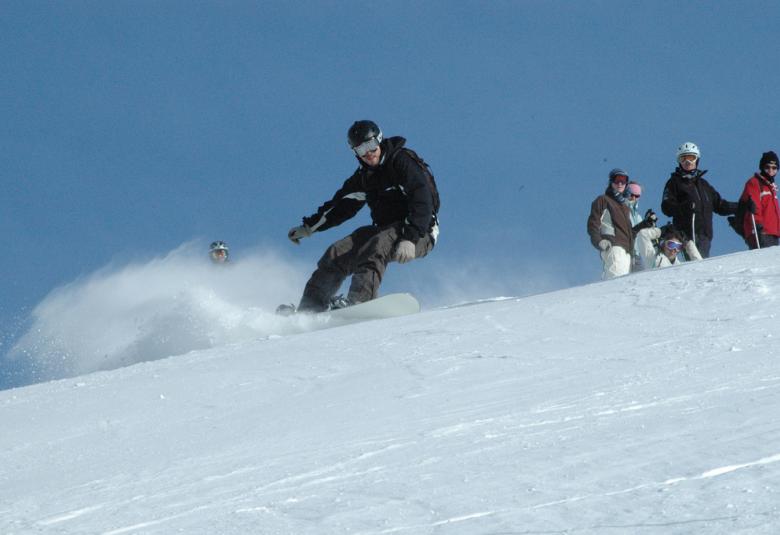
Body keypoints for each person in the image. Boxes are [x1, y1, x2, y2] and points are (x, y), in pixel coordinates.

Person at [282, 120, 440, 313]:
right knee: (336, 252)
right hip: (383, 230)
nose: (368, 153)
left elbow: (422, 199)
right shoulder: (364, 178)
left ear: (379, 141)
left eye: (371, 146)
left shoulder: (401, 162)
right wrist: (309, 228)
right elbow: (339, 207)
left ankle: (360, 302)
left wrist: (410, 237)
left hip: (420, 231)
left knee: (377, 245)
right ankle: (310, 308)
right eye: (360, 149)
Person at [660, 142, 737, 258]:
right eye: (683, 159)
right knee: (693, 266)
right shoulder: (675, 183)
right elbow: (666, 207)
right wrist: (683, 207)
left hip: (704, 235)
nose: (688, 162)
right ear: (679, 161)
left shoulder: (704, 185)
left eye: (691, 158)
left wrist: (741, 206)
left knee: (701, 264)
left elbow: (720, 205)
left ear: (697, 159)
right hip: (686, 236)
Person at [587, 168, 635, 279]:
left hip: (627, 251)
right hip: (613, 246)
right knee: (616, 280)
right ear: (611, 182)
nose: (620, 183)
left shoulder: (625, 207)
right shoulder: (603, 200)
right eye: (617, 180)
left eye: (623, 180)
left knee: (626, 286)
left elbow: (630, 232)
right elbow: (593, 223)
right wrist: (599, 241)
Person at [738, 151, 780, 249]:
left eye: (774, 168)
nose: (770, 170)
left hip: (773, 233)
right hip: (761, 232)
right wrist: (757, 226)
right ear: (762, 167)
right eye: (767, 167)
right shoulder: (754, 183)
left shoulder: (770, 188)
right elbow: (754, 206)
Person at [635, 223, 702, 268]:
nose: (674, 249)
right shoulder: (654, 260)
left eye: (678, 246)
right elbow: (642, 234)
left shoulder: (679, 266)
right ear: (664, 245)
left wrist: (688, 244)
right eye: (671, 244)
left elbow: (700, 268)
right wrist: (659, 232)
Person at [625, 181, 658, 271]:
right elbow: (627, 233)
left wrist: (650, 224)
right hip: (625, 253)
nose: (633, 198)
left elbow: (641, 234)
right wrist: (644, 224)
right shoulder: (621, 212)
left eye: (637, 195)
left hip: (638, 255)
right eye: (631, 194)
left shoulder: (637, 216)